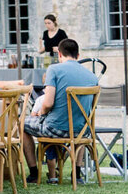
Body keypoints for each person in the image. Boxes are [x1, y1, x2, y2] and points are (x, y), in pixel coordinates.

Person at [23, 38, 99, 184]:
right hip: (82, 130)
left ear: (59, 54)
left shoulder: (54, 69)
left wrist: (41, 113)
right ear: (78, 55)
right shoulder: (92, 76)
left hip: (55, 128)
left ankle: (33, 172)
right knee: (80, 129)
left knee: (22, 124)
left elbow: (48, 102)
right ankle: (76, 174)